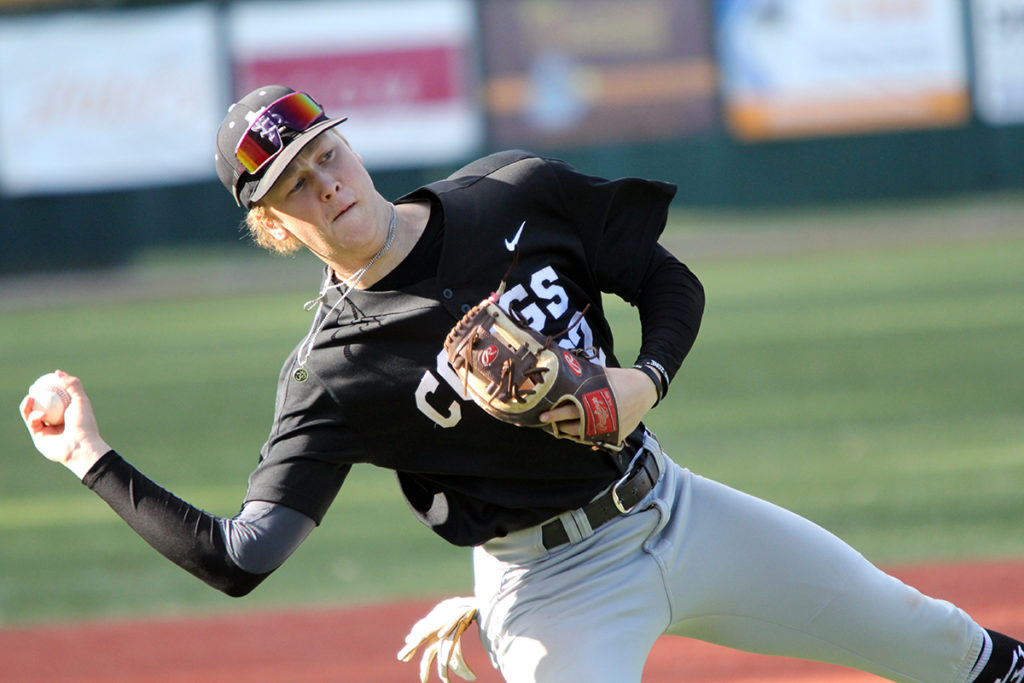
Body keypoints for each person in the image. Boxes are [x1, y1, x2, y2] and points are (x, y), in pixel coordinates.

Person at [19, 85, 1024, 683]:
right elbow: (244, 556)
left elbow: (665, 278)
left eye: (325, 152)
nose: (329, 183)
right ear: (277, 226)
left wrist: (644, 378)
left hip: (672, 505)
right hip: (552, 589)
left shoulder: (510, 190)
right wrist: (90, 457)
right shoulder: (332, 372)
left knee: (934, 637)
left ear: (348, 143)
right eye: (296, 186)